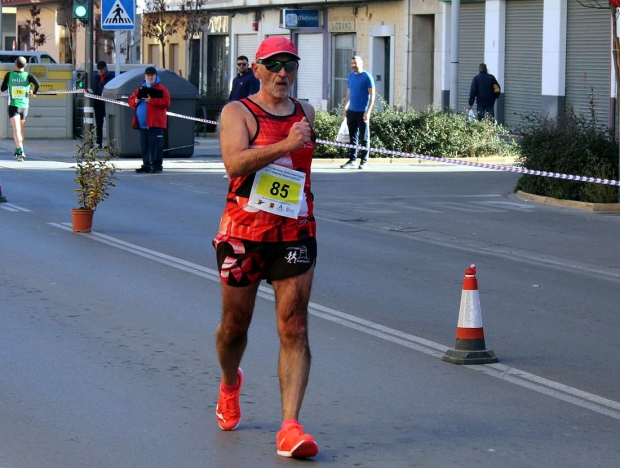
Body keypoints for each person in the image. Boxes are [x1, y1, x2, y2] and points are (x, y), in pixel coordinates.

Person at [213, 36, 319, 459]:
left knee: (294, 326)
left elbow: (302, 167)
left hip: (294, 232)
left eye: (289, 66)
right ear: (256, 69)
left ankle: (290, 427)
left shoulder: (306, 113)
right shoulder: (237, 112)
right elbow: (234, 163)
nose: (282, 74)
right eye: (274, 65)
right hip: (242, 235)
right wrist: (287, 144)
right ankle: (229, 382)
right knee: (233, 327)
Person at [128, 67, 171, 173]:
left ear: (155, 76)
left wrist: (151, 101)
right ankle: (146, 164)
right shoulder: (140, 89)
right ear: (145, 76)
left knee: (156, 146)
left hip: (155, 123)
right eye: (148, 75)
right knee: (145, 145)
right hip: (142, 124)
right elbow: (130, 101)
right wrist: (135, 100)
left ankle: (156, 166)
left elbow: (166, 103)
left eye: (152, 75)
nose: (150, 77)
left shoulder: (162, 89)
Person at [1, 56, 40, 161]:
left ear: (15, 64)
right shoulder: (28, 75)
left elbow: (3, 88)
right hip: (24, 107)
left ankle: (20, 150)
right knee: (21, 129)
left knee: (16, 129)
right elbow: (38, 85)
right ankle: (19, 149)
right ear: (25, 65)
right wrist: (33, 93)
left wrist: (11, 84)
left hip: (14, 106)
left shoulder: (9, 75)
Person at [340, 55, 375, 170]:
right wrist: (345, 107)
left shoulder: (367, 77)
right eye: (352, 63)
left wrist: (368, 111)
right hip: (352, 111)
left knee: (364, 138)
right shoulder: (350, 76)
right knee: (353, 137)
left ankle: (364, 161)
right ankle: (352, 160)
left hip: (362, 112)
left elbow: (372, 95)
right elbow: (349, 92)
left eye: (355, 63)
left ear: (361, 63)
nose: (353, 65)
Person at [91, 61, 115, 148]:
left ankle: (111, 142)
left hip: (107, 104)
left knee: (110, 123)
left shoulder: (111, 77)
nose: (100, 71)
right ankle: (99, 142)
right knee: (99, 124)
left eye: (102, 69)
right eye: (98, 69)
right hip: (98, 104)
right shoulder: (96, 78)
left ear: (105, 68)